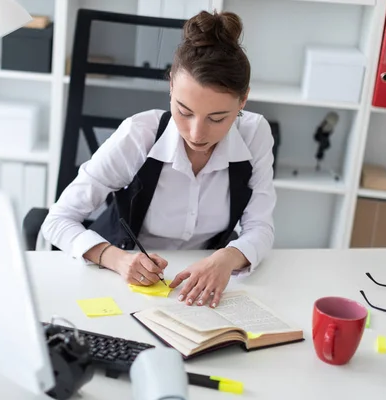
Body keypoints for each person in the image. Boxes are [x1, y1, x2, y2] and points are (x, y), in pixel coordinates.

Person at [41, 10, 276, 309]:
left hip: (197, 290)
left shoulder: (254, 133)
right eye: (184, 111)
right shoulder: (139, 134)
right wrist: (117, 259)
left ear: (243, 101)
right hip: (119, 282)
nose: (196, 132)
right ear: (170, 90)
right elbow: (57, 220)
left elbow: (261, 227)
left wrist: (227, 258)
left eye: (217, 118)